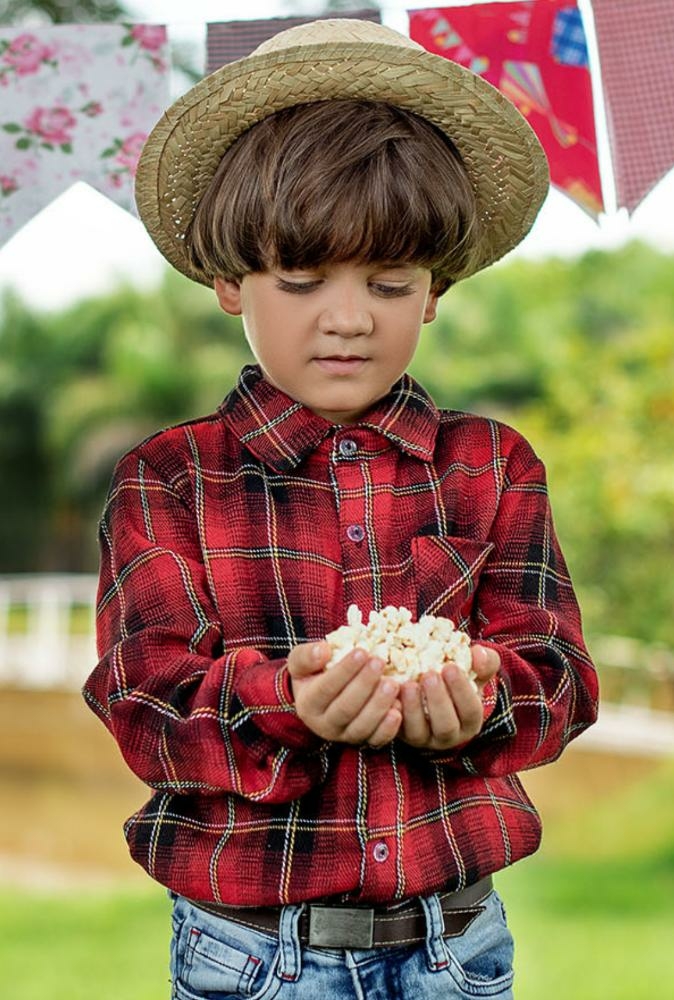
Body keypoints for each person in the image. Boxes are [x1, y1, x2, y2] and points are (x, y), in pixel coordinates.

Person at [83, 18, 598, 1000]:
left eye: (389, 280)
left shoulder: (492, 465)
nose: (350, 316)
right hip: (254, 953)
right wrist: (290, 702)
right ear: (229, 280)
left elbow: (559, 676)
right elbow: (147, 699)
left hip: (457, 941)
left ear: (436, 290)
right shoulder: (170, 478)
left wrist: (483, 700)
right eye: (304, 278)